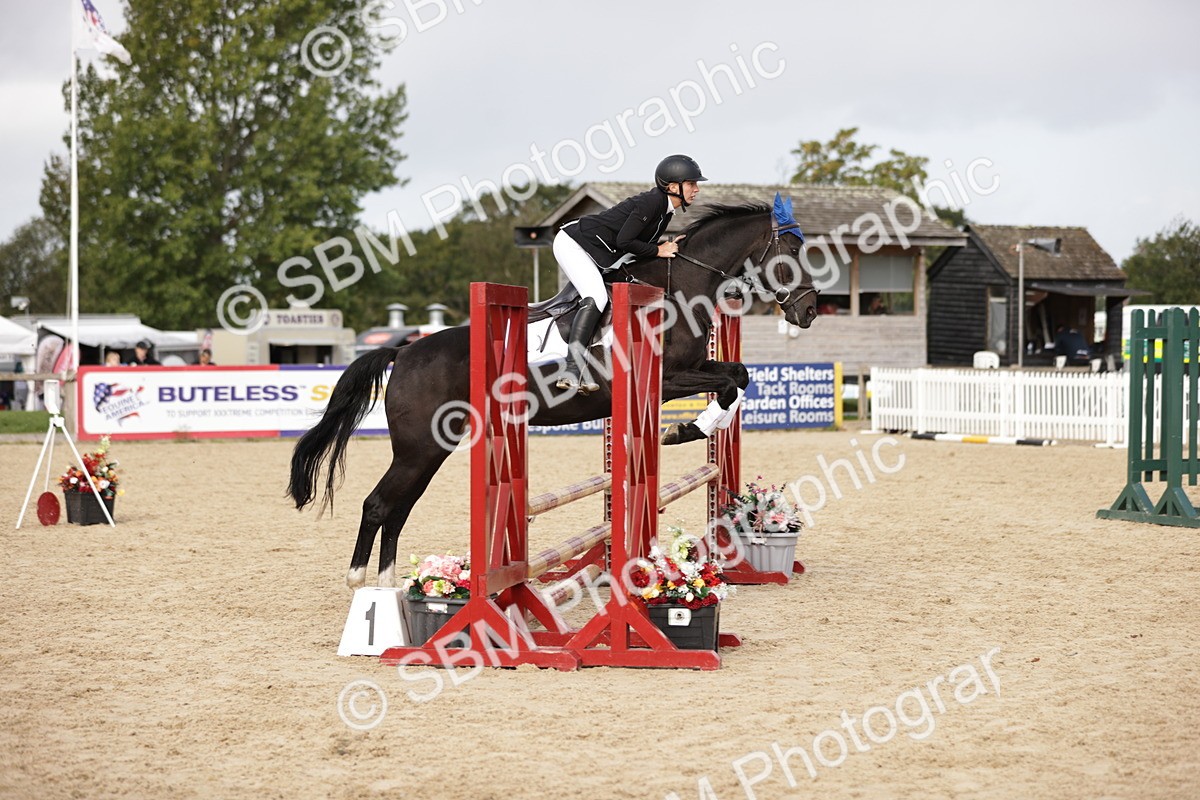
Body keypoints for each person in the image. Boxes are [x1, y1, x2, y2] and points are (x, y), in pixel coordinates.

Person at [552, 154, 706, 393]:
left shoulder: (664, 211)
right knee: (597, 296)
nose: (696, 190)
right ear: (673, 187)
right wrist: (658, 249)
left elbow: (638, 245)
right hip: (574, 244)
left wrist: (667, 244)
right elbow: (626, 240)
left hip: (600, 253)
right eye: (691, 184)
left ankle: (593, 363)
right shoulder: (651, 203)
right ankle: (571, 369)